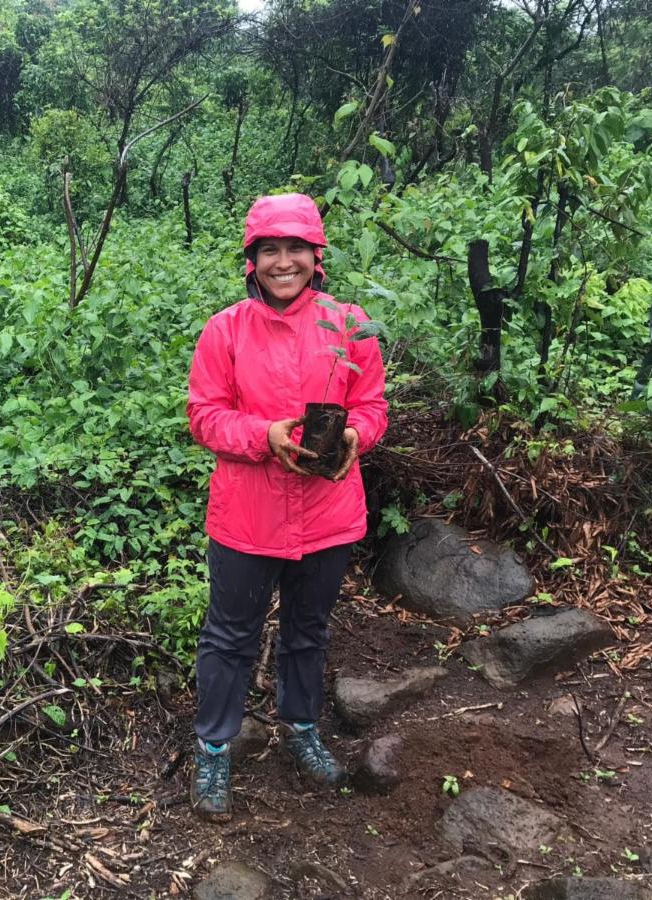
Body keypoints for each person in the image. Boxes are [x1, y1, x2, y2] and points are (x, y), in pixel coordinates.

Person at [185, 193, 388, 821]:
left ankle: (300, 727)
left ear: (316, 256)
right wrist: (264, 436)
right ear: (251, 260)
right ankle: (214, 746)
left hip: (328, 512)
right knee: (230, 635)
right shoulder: (225, 330)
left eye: (295, 248)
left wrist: (357, 435)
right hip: (248, 515)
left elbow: (372, 405)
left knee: (310, 630)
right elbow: (204, 415)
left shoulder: (350, 325)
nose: (282, 261)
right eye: (269, 249)